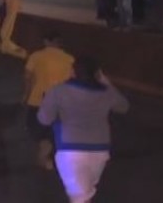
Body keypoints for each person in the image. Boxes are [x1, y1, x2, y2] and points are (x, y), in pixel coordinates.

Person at [38, 56, 129, 203]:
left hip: (70, 150)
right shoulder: (106, 93)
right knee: (85, 195)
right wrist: (105, 81)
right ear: (97, 74)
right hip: (100, 151)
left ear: (73, 72)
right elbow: (123, 107)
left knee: (80, 198)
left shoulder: (58, 91)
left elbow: (44, 119)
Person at [23, 31, 75, 170]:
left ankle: (43, 156)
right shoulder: (69, 59)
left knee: (39, 130)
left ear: (46, 41)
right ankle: (50, 156)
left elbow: (28, 77)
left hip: (38, 99)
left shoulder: (36, 56)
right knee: (54, 130)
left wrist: (26, 95)